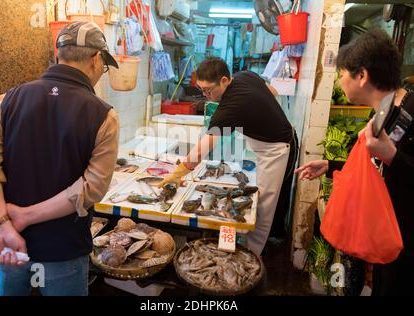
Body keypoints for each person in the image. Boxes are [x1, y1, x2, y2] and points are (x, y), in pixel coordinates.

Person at [0, 21, 120, 296]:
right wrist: (26, 216)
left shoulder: (6, 101)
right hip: (64, 251)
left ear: (57, 52)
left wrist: (3, 226)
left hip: (10, 244)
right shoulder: (103, 115)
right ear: (97, 59)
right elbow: (91, 187)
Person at [295, 28, 414, 296]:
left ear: (362, 76)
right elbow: (377, 168)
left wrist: (391, 154)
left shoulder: (411, 109)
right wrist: (330, 166)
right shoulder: (384, 112)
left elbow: (394, 161)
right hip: (388, 241)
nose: (339, 83)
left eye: (341, 76)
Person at [159, 57, 298, 256]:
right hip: (273, 142)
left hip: (277, 149)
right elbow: (272, 92)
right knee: (262, 200)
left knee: (264, 207)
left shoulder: (229, 108)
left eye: (208, 90)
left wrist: (177, 173)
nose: (206, 96)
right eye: (202, 90)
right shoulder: (245, 75)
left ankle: (250, 256)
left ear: (224, 80)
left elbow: (200, 151)